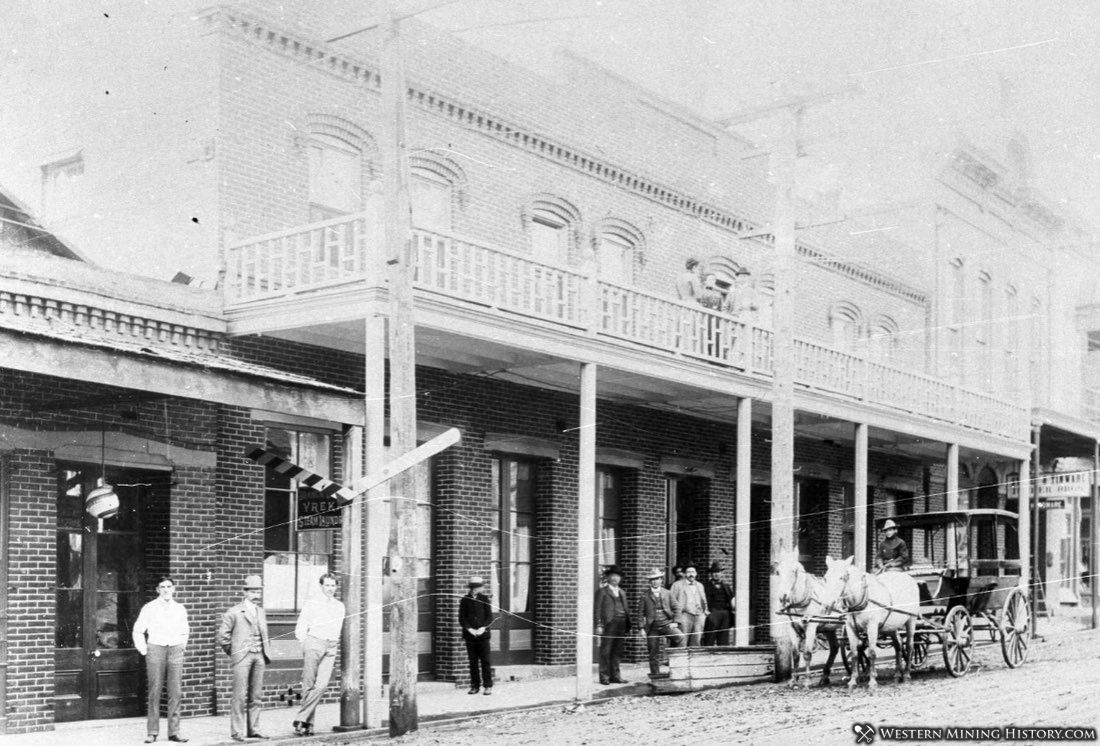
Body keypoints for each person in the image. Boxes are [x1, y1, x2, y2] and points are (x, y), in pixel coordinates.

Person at [133, 575, 190, 744]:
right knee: (154, 691)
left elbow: (185, 630)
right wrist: (145, 650)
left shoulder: (180, 608)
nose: (166, 590)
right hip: (155, 649)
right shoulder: (149, 608)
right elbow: (137, 631)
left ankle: (174, 731)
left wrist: (181, 646)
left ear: (173, 589)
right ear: (157, 590)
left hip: (175, 649)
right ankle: (152, 732)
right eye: (162, 587)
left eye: (169, 587)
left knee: (175, 692)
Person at [218, 574, 272, 742]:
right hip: (242, 658)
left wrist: (263, 652)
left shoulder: (261, 612)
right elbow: (223, 637)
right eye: (253, 591)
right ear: (245, 592)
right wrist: (235, 652)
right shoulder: (234, 612)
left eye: (259, 591)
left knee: (256, 695)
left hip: (259, 656)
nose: (256, 595)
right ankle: (237, 731)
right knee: (239, 696)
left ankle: (254, 729)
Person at [292, 574, 345, 736]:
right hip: (314, 643)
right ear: (321, 586)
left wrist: (333, 642)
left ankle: (300, 718)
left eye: (333, 585)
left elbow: (338, 627)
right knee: (309, 684)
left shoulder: (339, 606)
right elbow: (301, 626)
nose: (330, 589)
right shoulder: (312, 603)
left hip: (330, 647)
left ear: (336, 587)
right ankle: (308, 725)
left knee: (321, 685)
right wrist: (305, 643)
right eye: (327, 585)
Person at [637, 567, 684, 675]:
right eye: (652, 579)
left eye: (657, 579)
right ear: (649, 581)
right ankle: (655, 675)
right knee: (653, 651)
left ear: (661, 580)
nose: (655, 581)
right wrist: (641, 629)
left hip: (666, 624)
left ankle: (675, 668)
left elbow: (677, 608)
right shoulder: (645, 596)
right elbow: (640, 614)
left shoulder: (667, 593)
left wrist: (675, 622)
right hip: (652, 627)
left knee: (680, 637)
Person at [594, 566, 631, 685]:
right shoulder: (602, 591)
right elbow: (597, 609)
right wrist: (599, 624)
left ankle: (616, 676)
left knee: (617, 651)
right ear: (608, 577)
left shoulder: (622, 592)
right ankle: (604, 677)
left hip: (621, 623)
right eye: (613, 576)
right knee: (606, 650)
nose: (615, 578)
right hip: (609, 624)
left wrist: (627, 624)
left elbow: (626, 609)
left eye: (617, 576)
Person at [459, 575, 496, 695]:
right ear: (474, 588)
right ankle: (475, 686)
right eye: (479, 587)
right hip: (470, 636)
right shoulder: (465, 600)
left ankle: (488, 686)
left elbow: (490, 617)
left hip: (483, 635)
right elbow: (462, 618)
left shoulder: (484, 599)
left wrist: (482, 628)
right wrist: (469, 629)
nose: (481, 589)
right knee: (473, 662)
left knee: (485, 661)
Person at [670, 564, 708, 646]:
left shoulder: (700, 586)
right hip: (684, 616)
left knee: (696, 642)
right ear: (684, 574)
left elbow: (704, 601)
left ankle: (694, 659)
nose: (691, 574)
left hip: (698, 617)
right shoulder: (677, 585)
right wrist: (675, 617)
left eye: (693, 572)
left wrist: (704, 613)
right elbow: (671, 602)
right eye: (688, 572)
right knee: (682, 641)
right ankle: (681, 659)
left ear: (696, 573)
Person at [702, 562, 735, 646]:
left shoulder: (726, 586)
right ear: (711, 574)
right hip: (712, 613)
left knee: (724, 639)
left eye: (718, 572)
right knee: (710, 638)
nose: (716, 574)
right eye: (714, 572)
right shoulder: (705, 586)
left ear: (721, 573)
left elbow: (732, 600)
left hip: (725, 614)